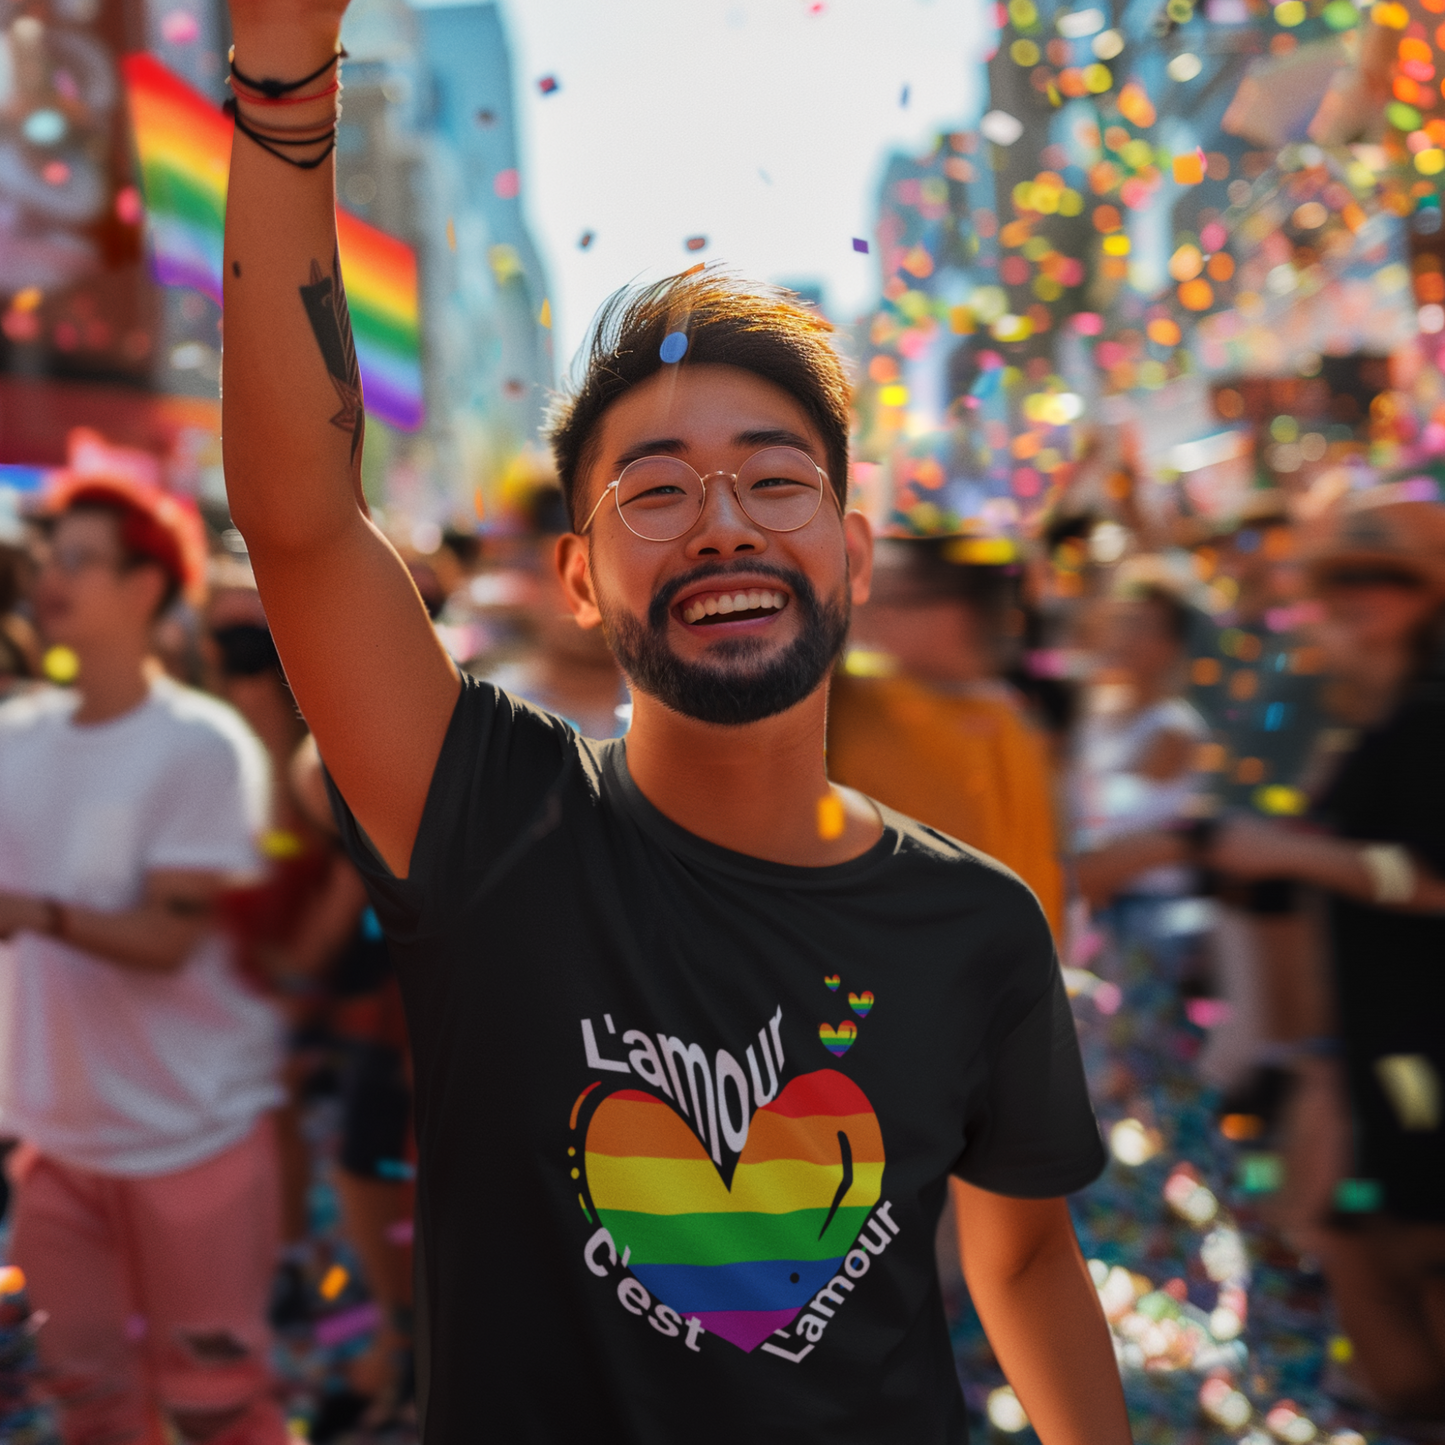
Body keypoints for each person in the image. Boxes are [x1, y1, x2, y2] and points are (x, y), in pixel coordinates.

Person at [219, 12, 1126, 1437]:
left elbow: (1021, 1254)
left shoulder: (980, 926)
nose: (721, 524)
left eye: (775, 481)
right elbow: (300, 522)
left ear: (854, 554)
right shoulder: (490, 817)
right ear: (579, 578)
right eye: (654, 489)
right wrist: (282, 81)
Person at [0, 476, 287, 1445]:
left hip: (192, 1137)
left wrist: (29, 909)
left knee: (218, 1406)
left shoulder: (202, 747)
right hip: (56, 1145)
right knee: (90, 1404)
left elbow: (171, 937)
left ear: (147, 586)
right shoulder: (13, 737)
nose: (52, 580)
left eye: (79, 559)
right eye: (49, 561)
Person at [1209, 497, 1445, 1422]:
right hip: (1375, 1041)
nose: (1357, 597)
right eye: (1340, 578)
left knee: (1408, 1247)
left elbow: (1430, 877)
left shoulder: (1428, 712)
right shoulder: (1354, 710)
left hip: (1424, 1044)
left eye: (1382, 579)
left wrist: (1294, 853)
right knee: (1356, 1236)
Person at [828, 537, 1065, 937]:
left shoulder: (885, 710)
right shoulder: (1013, 719)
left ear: (955, 612)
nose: (863, 610)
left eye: (887, 596)